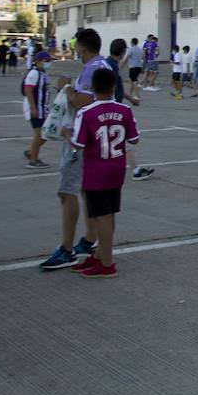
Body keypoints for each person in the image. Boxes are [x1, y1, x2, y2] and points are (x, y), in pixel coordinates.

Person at [39, 28, 106, 271]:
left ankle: (66, 250)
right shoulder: (105, 66)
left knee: (67, 192)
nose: (75, 51)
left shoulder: (91, 69)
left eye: (76, 47)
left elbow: (82, 102)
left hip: (81, 139)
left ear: (83, 48)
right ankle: (89, 239)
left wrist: (65, 88)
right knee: (87, 190)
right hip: (96, 137)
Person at [68, 67, 140, 278]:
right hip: (116, 169)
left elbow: (78, 144)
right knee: (109, 214)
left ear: (92, 88)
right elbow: (134, 139)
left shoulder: (86, 112)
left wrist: (66, 134)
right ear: (114, 87)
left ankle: (106, 263)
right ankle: (100, 254)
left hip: (95, 172)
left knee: (102, 217)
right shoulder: (124, 110)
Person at [106, 39, 152, 181]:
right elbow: (111, 89)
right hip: (112, 110)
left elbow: (117, 89)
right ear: (122, 52)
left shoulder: (111, 64)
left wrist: (130, 98)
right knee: (122, 140)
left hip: (112, 107)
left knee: (120, 141)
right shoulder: (111, 66)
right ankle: (136, 171)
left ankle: (136, 170)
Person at [23, 51, 53, 168]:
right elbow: (28, 90)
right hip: (36, 108)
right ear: (39, 61)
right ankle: (33, 160)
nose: (49, 63)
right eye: (47, 61)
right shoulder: (34, 73)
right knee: (39, 134)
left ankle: (32, 152)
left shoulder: (43, 73)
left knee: (46, 134)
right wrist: (33, 107)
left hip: (42, 107)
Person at [126, 38, 143, 103]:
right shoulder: (140, 49)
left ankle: (137, 95)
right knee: (131, 81)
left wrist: (122, 65)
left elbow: (127, 57)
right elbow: (143, 57)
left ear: (132, 42)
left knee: (134, 81)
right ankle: (130, 94)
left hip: (133, 66)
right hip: (139, 66)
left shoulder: (131, 49)